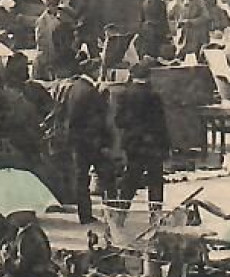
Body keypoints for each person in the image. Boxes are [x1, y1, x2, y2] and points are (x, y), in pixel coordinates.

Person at [53, 60, 108, 223]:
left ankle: (84, 214)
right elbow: (99, 119)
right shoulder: (91, 91)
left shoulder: (71, 87)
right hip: (91, 140)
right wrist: (104, 141)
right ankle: (112, 212)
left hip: (75, 139)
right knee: (106, 176)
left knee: (81, 177)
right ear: (93, 71)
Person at [111, 62, 171, 210]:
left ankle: (121, 212)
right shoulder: (154, 96)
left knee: (130, 179)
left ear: (132, 76)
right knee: (155, 181)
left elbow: (119, 121)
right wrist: (166, 146)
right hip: (153, 145)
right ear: (148, 77)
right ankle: (155, 214)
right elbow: (161, 125)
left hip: (133, 144)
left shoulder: (124, 95)